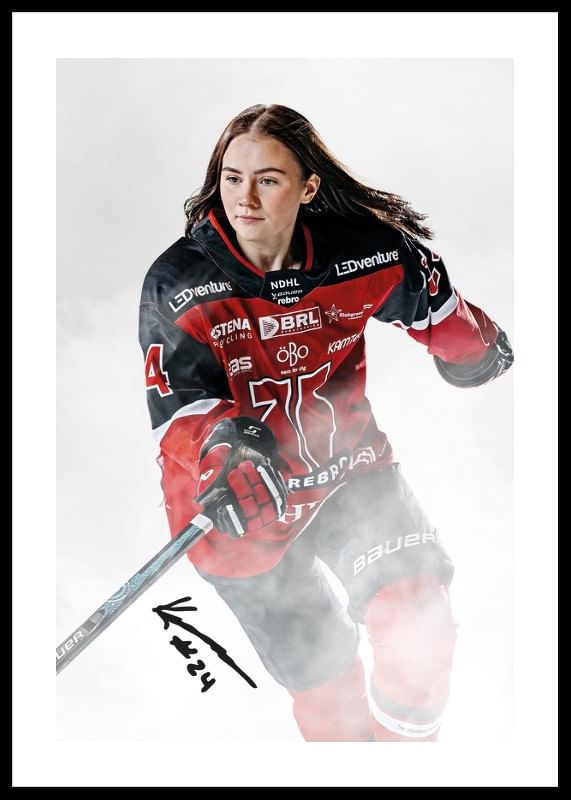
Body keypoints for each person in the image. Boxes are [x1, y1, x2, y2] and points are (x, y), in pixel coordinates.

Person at [139, 103, 513, 742]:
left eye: (268, 179)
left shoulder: (363, 251)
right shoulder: (178, 282)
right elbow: (178, 405)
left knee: (418, 630)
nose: (245, 198)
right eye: (232, 178)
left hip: (346, 471)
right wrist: (224, 448)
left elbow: (438, 309)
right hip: (237, 507)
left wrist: (473, 350)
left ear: (308, 186)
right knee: (330, 695)